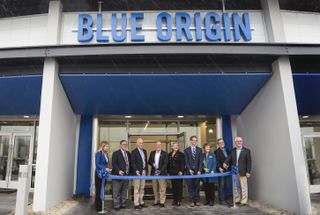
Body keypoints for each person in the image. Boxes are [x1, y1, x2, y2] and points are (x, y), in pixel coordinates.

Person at [224, 137, 251, 206]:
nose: (239, 142)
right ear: (235, 142)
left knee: (244, 186)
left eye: (240, 141)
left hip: (243, 171)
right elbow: (228, 158)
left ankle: (244, 201)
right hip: (234, 172)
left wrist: (248, 171)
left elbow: (249, 162)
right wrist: (225, 163)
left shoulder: (246, 150)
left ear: (242, 142)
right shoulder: (232, 150)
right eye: (237, 141)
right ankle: (237, 199)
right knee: (236, 187)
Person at [111, 140, 131, 210]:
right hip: (117, 176)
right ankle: (116, 205)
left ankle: (123, 204)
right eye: (123, 144)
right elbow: (114, 163)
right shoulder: (116, 153)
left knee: (124, 191)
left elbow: (129, 164)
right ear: (120, 145)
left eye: (126, 144)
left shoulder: (128, 153)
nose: (125, 145)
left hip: (126, 176)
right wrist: (119, 171)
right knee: (116, 191)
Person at [148, 140, 168, 207]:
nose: (158, 146)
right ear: (155, 146)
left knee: (162, 188)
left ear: (161, 146)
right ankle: (156, 201)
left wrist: (160, 171)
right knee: (155, 188)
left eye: (159, 145)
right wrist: (152, 163)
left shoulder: (165, 153)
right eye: (157, 145)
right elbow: (149, 161)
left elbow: (165, 164)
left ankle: (162, 202)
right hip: (154, 173)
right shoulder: (152, 153)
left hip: (162, 173)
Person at [184, 135, 203, 207]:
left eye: (195, 140)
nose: (194, 141)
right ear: (191, 141)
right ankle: (192, 201)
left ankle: (197, 200)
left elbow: (200, 161)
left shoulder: (199, 150)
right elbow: (186, 161)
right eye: (193, 140)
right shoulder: (186, 150)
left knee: (197, 186)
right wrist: (189, 169)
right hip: (189, 172)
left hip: (197, 172)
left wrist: (199, 170)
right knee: (190, 186)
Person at [131, 137, 148, 210]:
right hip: (137, 172)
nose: (141, 144)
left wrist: (146, 170)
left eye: (142, 143)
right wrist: (136, 170)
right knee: (136, 188)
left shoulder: (144, 151)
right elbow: (133, 162)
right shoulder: (133, 152)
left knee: (142, 188)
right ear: (137, 144)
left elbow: (145, 161)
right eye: (140, 143)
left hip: (143, 171)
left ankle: (141, 202)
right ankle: (136, 203)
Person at [167, 142, 185, 206]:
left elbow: (183, 164)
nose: (176, 147)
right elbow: (168, 164)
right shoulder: (169, 154)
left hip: (179, 173)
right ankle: (174, 200)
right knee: (173, 187)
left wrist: (181, 171)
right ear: (172, 147)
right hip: (172, 173)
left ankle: (178, 200)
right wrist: (168, 172)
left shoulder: (181, 154)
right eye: (175, 146)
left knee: (179, 187)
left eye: (177, 145)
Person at [214, 138, 230, 205]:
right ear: (218, 144)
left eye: (222, 142)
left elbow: (230, 158)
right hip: (221, 171)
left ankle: (226, 198)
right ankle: (221, 199)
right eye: (220, 143)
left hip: (228, 171)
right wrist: (219, 168)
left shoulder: (228, 150)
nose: (222, 143)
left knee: (227, 185)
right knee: (221, 185)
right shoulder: (216, 151)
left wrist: (228, 165)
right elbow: (217, 161)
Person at [94, 141, 109, 212]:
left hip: (104, 174)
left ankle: (101, 206)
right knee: (99, 190)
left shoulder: (106, 154)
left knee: (102, 191)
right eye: (106, 146)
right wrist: (105, 168)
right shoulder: (98, 154)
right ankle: (98, 208)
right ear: (102, 146)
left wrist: (107, 169)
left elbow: (105, 164)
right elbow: (97, 165)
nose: (107, 148)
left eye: (108, 146)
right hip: (99, 174)